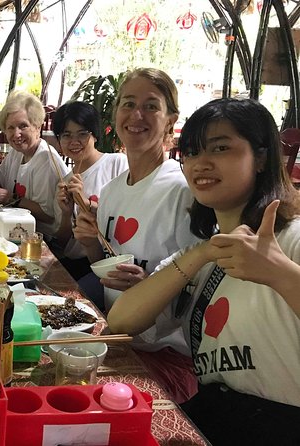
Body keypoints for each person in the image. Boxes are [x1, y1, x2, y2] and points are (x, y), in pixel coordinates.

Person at [108, 98, 300, 445]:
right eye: (191, 153)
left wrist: (280, 274)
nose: (200, 164)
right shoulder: (202, 255)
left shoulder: (291, 238)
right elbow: (121, 322)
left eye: (221, 148)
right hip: (218, 415)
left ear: (261, 158)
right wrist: (204, 251)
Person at [73, 68, 200, 403]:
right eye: (128, 104)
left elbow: (199, 290)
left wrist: (149, 285)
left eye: (151, 106)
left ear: (171, 119)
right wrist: (89, 243)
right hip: (118, 336)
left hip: (166, 353)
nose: (137, 115)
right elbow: (105, 268)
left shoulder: (182, 191)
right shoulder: (112, 191)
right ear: (115, 116)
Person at [52, 100, 128, 289]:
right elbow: (62, 243)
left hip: (111, 264)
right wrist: (66, 213)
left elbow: (127, 215)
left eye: (82, 134)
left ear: (95, 136)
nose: (74, 142)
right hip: (75, 263)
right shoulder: (65, 181)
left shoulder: (117, 164)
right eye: (66, 135)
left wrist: (86, 203)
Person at [0, 90, 70, 236]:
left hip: (42, 238)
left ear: (37, 127)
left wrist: (9, 197)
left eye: (23, 126)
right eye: (10, 128)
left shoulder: (46, 160)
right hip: (15, 228)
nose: (16, 134)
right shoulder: (16, 152)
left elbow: (48, 215)